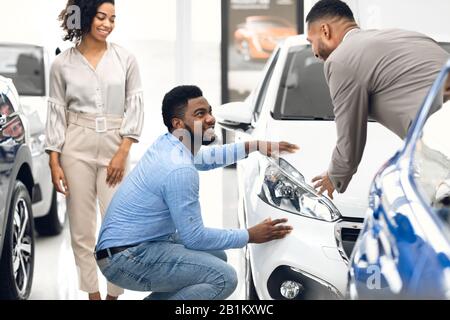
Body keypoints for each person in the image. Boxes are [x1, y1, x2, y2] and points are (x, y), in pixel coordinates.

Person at [95, 85, 298, 300]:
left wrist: (254, 145)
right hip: (125, 258)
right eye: (200, 114)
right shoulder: (180, 170)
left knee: (217, 257)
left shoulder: (170, 144)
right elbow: (194, 238)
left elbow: (207, 158)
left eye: (209, 111)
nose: (211, 119)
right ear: (178, 124)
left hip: (131, 246)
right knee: (224, 278)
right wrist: (250, 235)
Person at [45, 0, 144, 300]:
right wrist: (54, 161)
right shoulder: (62, 64)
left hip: (116, 143)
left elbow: (135, 105)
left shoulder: (126, 59)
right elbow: (56, 113)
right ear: (86, 17)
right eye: (101, 17)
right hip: (76, 145)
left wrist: (123, 150)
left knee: (118, 227)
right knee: (82, 229)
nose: (108, 24)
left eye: (113, 18)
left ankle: (114, 295)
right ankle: (93, 296)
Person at [305, 0, 450, 199]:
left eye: (311, 41)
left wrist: (335, 175)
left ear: (325, 30)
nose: (314, 52)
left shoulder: (340, 60)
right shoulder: (408, 36)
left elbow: (350, 136)